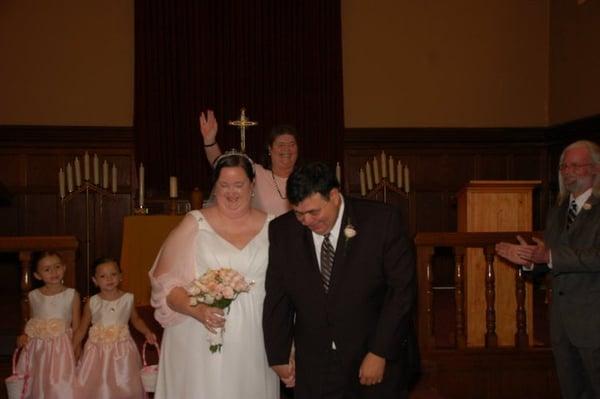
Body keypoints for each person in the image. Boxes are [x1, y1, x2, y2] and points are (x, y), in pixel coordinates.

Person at [263, 161, 418, 399]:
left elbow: (401, 292)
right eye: (298, 213)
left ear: (334, 196)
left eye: (313, 212)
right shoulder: (282, 231)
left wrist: (380, 351)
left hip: (372, 356)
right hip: (315, 364)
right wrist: (279, 354)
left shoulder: (381, 221)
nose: (306, 221)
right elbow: (277, 296)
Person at [149, 151, 279, 399]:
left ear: (252, 185)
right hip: (200, 333)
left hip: (255, 335)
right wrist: (198, 310)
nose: (231, 192)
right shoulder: (194, 223)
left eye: (239, 184)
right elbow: (165, 286)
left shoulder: (274, 227)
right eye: (224, 185)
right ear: (215, 187)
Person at [496, 140, 600, 399]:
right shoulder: (557, 211)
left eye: (576, 165)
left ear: (596, 169)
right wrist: (531, 261)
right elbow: (550, 261)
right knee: (571, 391)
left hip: (594, 322)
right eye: (564, 166)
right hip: (562, 325)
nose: (568, 171)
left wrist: (549, 255)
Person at [72, 257, 157, 399]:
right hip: (96, 352)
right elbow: (82, 329)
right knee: (96, 383)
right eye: (103, 276)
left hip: (122, 351)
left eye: (113, 274)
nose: (109, 279)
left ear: (120, 276)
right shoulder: (92, 302)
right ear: (95, 280)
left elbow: (136, 319)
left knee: (124, 383)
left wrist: (147, 331)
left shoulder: (128, 299)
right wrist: (72, 347)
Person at [200, 109, 298, 216]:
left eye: (292, 144)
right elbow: (222, 165)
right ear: (270, 149)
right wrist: (209, 141)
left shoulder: (306, 176)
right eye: (281, 145)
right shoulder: (256, 172)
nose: (287, 150)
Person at [16, 251, 81, 399]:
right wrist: (24, 335)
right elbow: (31, 322)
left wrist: (77, 348)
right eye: (47, 269)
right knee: (39, 378)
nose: (53, 272)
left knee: (60, 381)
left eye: (57, 266)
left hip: (62, 348)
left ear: (64, 268)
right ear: (38, 275)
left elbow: (76, 326)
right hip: (38, 347)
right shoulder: (33, 296)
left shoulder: (72, 294)